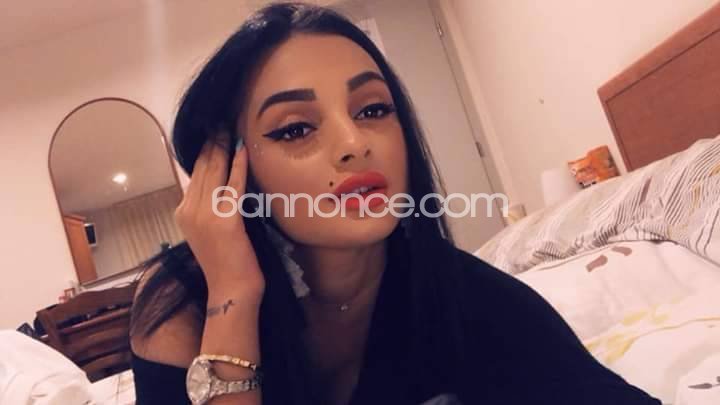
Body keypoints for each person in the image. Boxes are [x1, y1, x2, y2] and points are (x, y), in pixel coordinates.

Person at [129, 2, 661, 405]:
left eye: (372, 110)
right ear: (228, 169)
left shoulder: (458, 292)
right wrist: (233, 295)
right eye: (294, 128)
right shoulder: (179, 306)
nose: (354, 143)